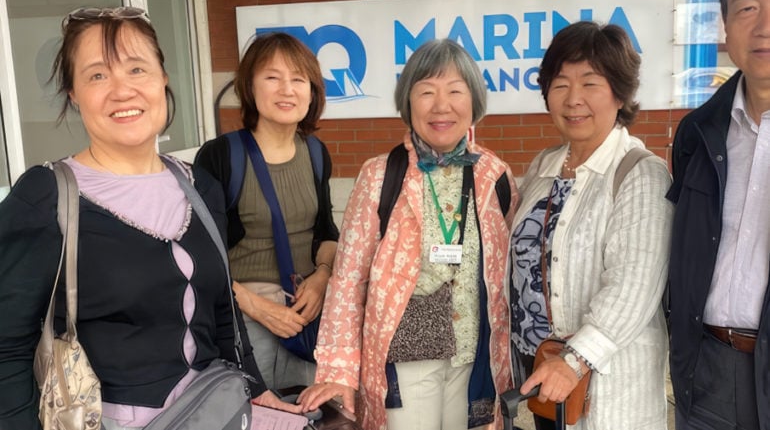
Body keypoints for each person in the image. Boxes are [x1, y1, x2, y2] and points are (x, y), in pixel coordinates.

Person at [0, 6, 297, 430]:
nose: (122, 90)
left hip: (215, 411)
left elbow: (222, 309)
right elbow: (6, 346)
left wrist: (256, 388)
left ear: (162, 78)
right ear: (73, 94)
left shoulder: (201, 188)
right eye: (97, 75)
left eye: (137, 69)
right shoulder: (46, 197)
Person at [297, 39, 518, 430]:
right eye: (426, 92)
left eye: (454, 91)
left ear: (473, 101)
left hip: (474, 354)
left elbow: (506, 275)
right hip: (405, 358)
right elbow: (349, 279)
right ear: (408, 101)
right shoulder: (380, 175)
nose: (441, 106)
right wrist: (338, 369)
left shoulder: (494, 176)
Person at [512, 21, 673, 429]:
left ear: (620, 93)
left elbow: (633, 286)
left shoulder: (640, 173)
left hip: (605, 389)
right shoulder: (542, 167)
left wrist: (574, 361)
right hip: (545, 384)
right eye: (560, 84)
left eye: (590, 83)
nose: (573, 99)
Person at [195, 32, 339, 390]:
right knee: (251, 411)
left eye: (298, 79)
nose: (286, 89)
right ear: (250, 87)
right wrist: (258, 307)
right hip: (244, 314)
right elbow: (198, 253)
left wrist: (321, 278)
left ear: (312, 92)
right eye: (272, 77)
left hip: (307, 313)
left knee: (308, 412)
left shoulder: (316, 153)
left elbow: (325, 232)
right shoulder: (221, 156)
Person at [667, 0, 770, 430]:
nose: (764, 27)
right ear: (725, 25)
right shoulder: (698, 132)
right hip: (706, 368)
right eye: (747, 8)